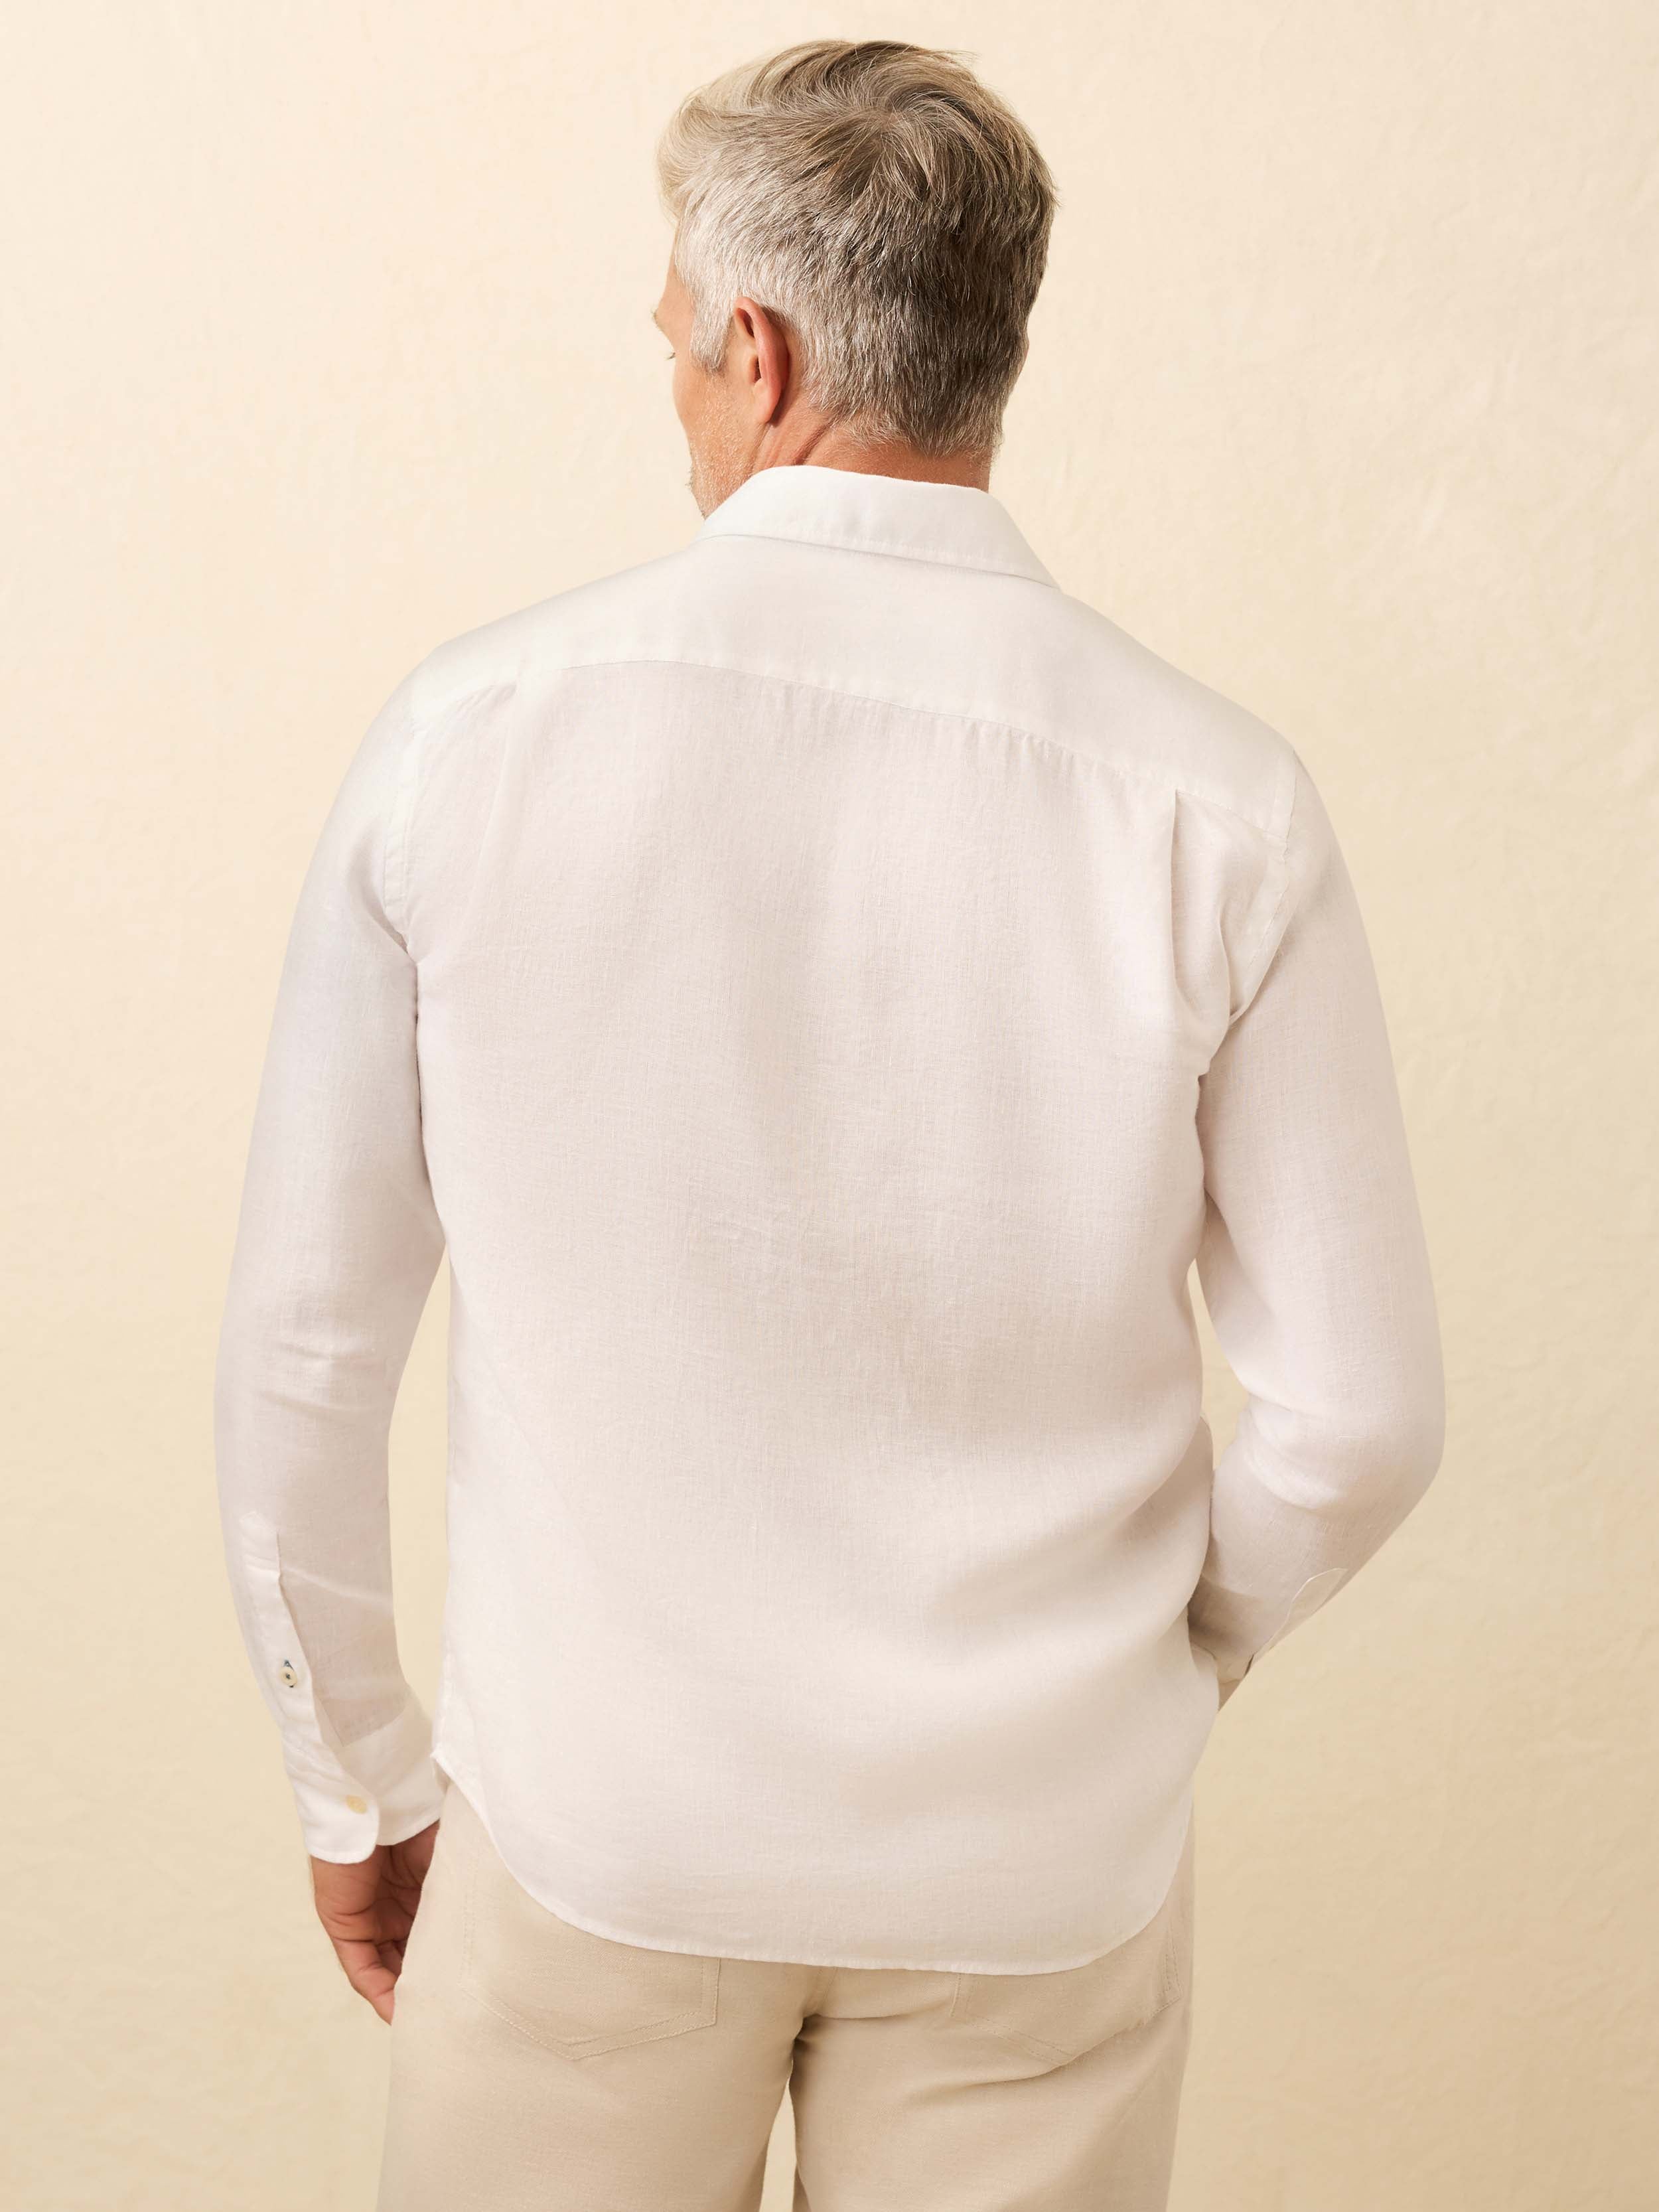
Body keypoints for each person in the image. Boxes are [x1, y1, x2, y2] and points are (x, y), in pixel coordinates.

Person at [214, 38, 1445, 2212]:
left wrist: (358, 1783)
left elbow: (310, 1351)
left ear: (756, 354)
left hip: (599, 1826)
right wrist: (1160, 1665)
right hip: (1035, 1860)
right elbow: (1357, 1419)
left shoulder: (469, 740)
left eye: (676, 348)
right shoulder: (1214, 800)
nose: (679, 389)